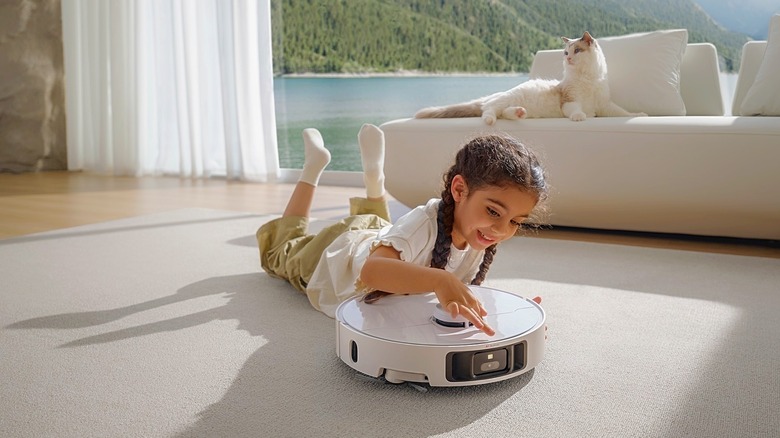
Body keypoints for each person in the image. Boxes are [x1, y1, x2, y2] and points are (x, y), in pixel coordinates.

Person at [257, 124, 548, 336]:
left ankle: (374, 178)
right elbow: (372, 272)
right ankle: (313, 167)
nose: (501, 229)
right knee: (279, 253)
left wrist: (509, 314)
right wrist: (439, 280)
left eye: (515, 222)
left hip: (381, 233)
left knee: (386, 230)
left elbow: (457, 293)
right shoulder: (424, 222)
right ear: (459, 189)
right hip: (337, 254)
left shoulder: (475, 234)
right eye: (494, 212)